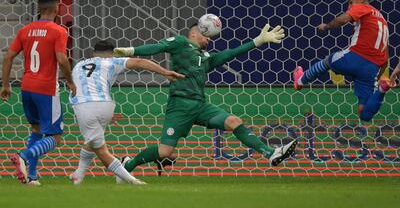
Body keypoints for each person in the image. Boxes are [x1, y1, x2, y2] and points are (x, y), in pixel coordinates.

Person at [113, 21, 297, 175]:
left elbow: (229, 54)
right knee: (165, 151)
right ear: (194, 33)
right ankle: (128, 165)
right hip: (180, 106)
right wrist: (130, 51)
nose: (209, 40)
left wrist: (257, 41)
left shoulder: (206, 58)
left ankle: (271, 153)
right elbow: (158, 47)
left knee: (233, 121)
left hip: (201, 107)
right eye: (207, 36)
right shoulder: (179, 43)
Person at [69, 40, 184, 185]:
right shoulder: (111, 62)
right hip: (105, 104)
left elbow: (74, 89)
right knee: (94, 143)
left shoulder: (78, 65)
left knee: (98, 147)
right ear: (112, 54)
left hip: (83, 105)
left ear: (93, 53)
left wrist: (81, 114)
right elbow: (139, 62)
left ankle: (127, 179)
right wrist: (165, 72)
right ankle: (81, 176)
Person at [0, 0, 76, 185]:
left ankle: (31, 175)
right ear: (57, 8)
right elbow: (61, 58)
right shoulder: (58, 30)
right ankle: (23, 156)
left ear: (38, 8)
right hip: (47, 89)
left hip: (27, 87)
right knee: (55, 137)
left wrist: (6, 84)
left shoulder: (25, 30)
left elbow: (8, 57)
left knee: (36, 129)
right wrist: (70, 80)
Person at [293, 0, 394, 121]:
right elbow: (386, 55)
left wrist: (326, 26)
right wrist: (378, 75)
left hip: (355, 57)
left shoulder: (363, 7)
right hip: (372, 68)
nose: (349, 6)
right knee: (364, 113)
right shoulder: (382, 20)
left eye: (350, 2)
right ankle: (382, 90)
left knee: (328, 61)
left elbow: (343, 20)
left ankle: (299, 81)